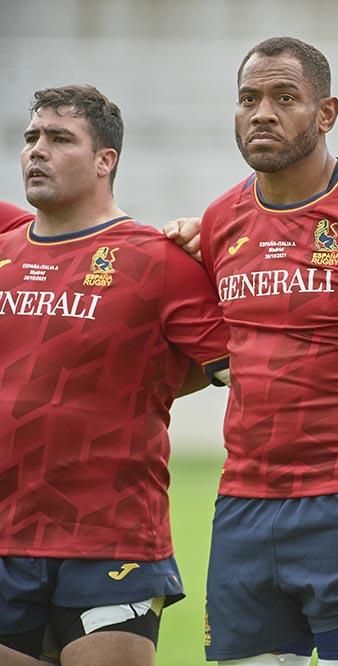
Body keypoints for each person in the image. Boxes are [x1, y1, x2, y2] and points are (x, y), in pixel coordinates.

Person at [191, 37, 338, 666]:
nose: (262, 113)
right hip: (243, 503)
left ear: (326, 112)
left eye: (285, 98)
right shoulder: (219, 220)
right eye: (248, 99)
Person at [0, 85, 230, 665]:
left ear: (106, 160)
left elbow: (239, 365)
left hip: (111, 539)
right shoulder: (5, 247)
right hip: (5, 534)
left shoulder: (158, 259)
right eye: (31, 137)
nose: (37, 150)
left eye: (59, 139)